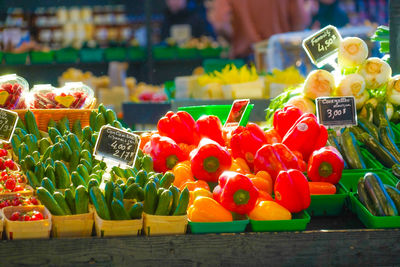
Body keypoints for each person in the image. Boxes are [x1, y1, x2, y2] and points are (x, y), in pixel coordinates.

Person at [207, 0, 312, 59]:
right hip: (281, 58)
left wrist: (235, 39)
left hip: (246, 59)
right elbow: (301, 20)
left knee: (247, 97)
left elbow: (220, 23)